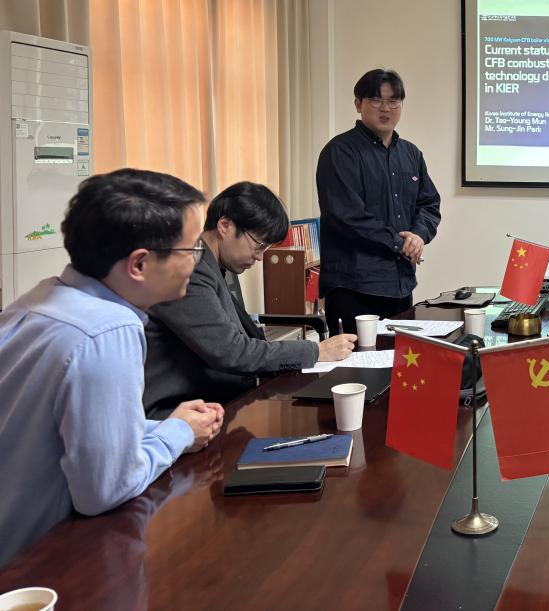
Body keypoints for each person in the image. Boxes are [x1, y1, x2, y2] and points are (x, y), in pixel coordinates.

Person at [0, 169, 224, 568]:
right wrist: (178, 433)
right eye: (191, 249)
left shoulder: (41, 298)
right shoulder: (108, 331)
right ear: (139, 264)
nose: (197, 261)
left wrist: (165, 426)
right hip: (36, 566)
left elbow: (59, 432)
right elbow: (106, 489)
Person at [144, 182, 357, 418]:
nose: (260, 257)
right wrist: (316, 351)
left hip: (218, 401)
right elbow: (231, 351)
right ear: (225, 226)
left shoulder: (212, 264)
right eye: (259, 245)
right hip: (183, 414)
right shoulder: (188, 271)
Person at [316, 69, 441, 334]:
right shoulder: (340, 152)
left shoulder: (411, 154)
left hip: (400, 285)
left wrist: (418, 236)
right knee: (357, 359)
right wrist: (400, 243)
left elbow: (429, 205)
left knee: (399, 358)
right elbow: (347, 216)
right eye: (376, 100)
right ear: (358, 104)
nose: (385, 108)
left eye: (393, 101)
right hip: (353, 288)